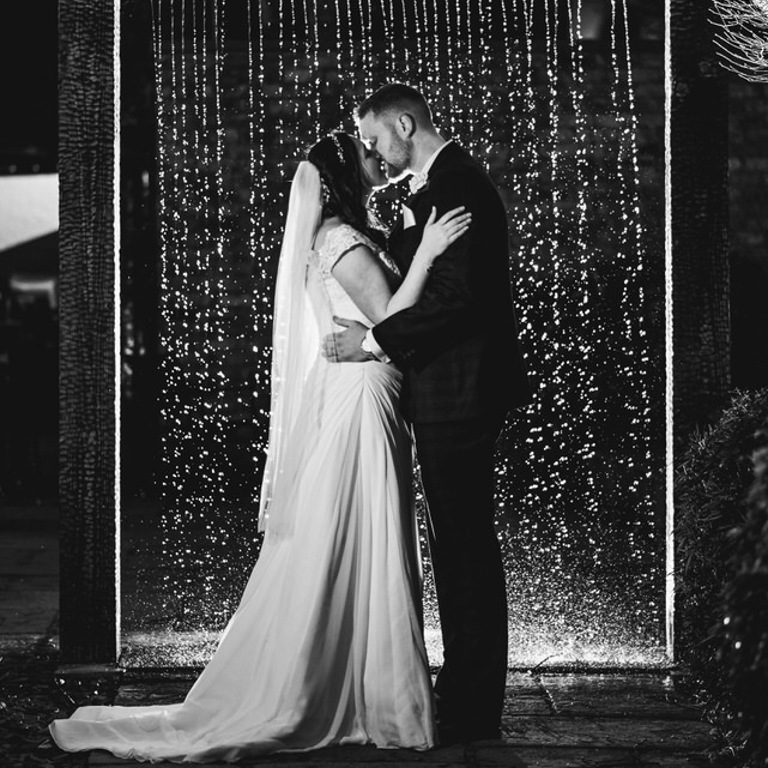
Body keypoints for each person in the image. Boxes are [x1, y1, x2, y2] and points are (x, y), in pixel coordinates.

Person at [48, 132, 472, 762]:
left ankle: (360, 682)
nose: (376, 159)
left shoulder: (336, 236)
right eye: (364, 156)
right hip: (361, 397)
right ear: (339, 181)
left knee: (356, 536)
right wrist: (431, 251)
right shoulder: (340, 240)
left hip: (355, 389)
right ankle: (371, 696)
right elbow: (390, 321)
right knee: (365, 535)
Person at [323, 83, 532, 745]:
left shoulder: (457, 186)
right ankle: (463, 690)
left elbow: (459, 301)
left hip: (460, 390)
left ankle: (473, 708)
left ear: (404, 123)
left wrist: (375, 342)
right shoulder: (434, 190)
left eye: (375, 135)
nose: (372, 149)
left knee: (464, 546)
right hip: (446, 389)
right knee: (456, 545)